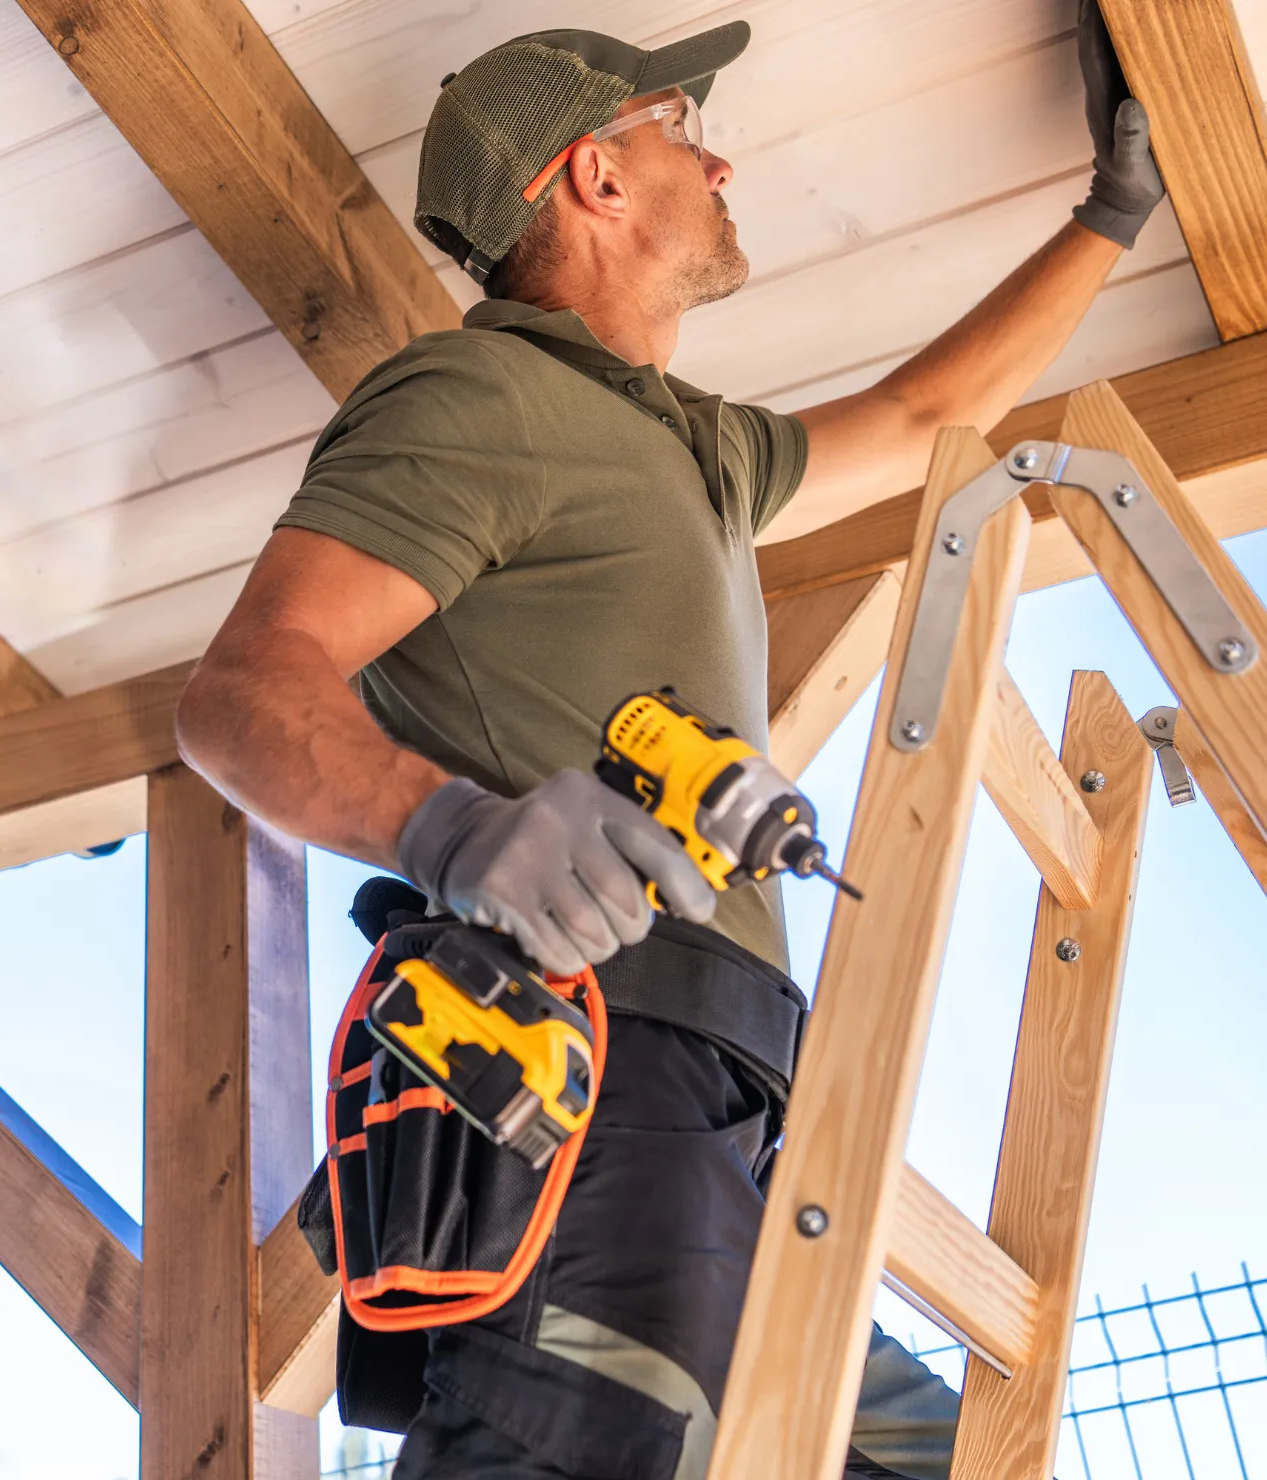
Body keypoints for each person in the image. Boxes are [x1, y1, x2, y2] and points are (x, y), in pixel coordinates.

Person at [176, 7, 1163, 1476]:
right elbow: (243, 690)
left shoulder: (690, 446)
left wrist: (1113, 212)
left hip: (726, 1094)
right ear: (596, 179)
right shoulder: (474, 398)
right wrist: (450, 830)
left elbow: (925, 410)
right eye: (682, 135)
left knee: (939, 1458)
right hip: (582, 1068)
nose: (721, 160)